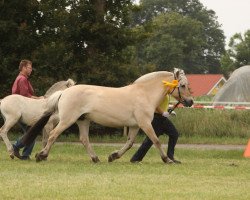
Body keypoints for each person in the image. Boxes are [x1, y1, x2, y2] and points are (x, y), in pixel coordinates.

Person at [130, 95, 181, 164]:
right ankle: (135, 158)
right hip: (157, 118)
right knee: (150, 140)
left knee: (174, 134)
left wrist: (168, 110)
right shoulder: (161, 92)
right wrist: (163, 113)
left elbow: (162, 105)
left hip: (162, 118)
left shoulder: (166, 93)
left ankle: (170, 157)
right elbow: (155, 104)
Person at [12, 59, 43, 160]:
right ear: (24, 68)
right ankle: (16, 147)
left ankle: (25, 155)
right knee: (32, 133)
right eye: (29, 67)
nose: (31, 70)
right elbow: (25, 95)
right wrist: (39, 99)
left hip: (21, 109)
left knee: (31, 133)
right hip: (22, 111)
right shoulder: (22, 79)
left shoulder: (22, 78)